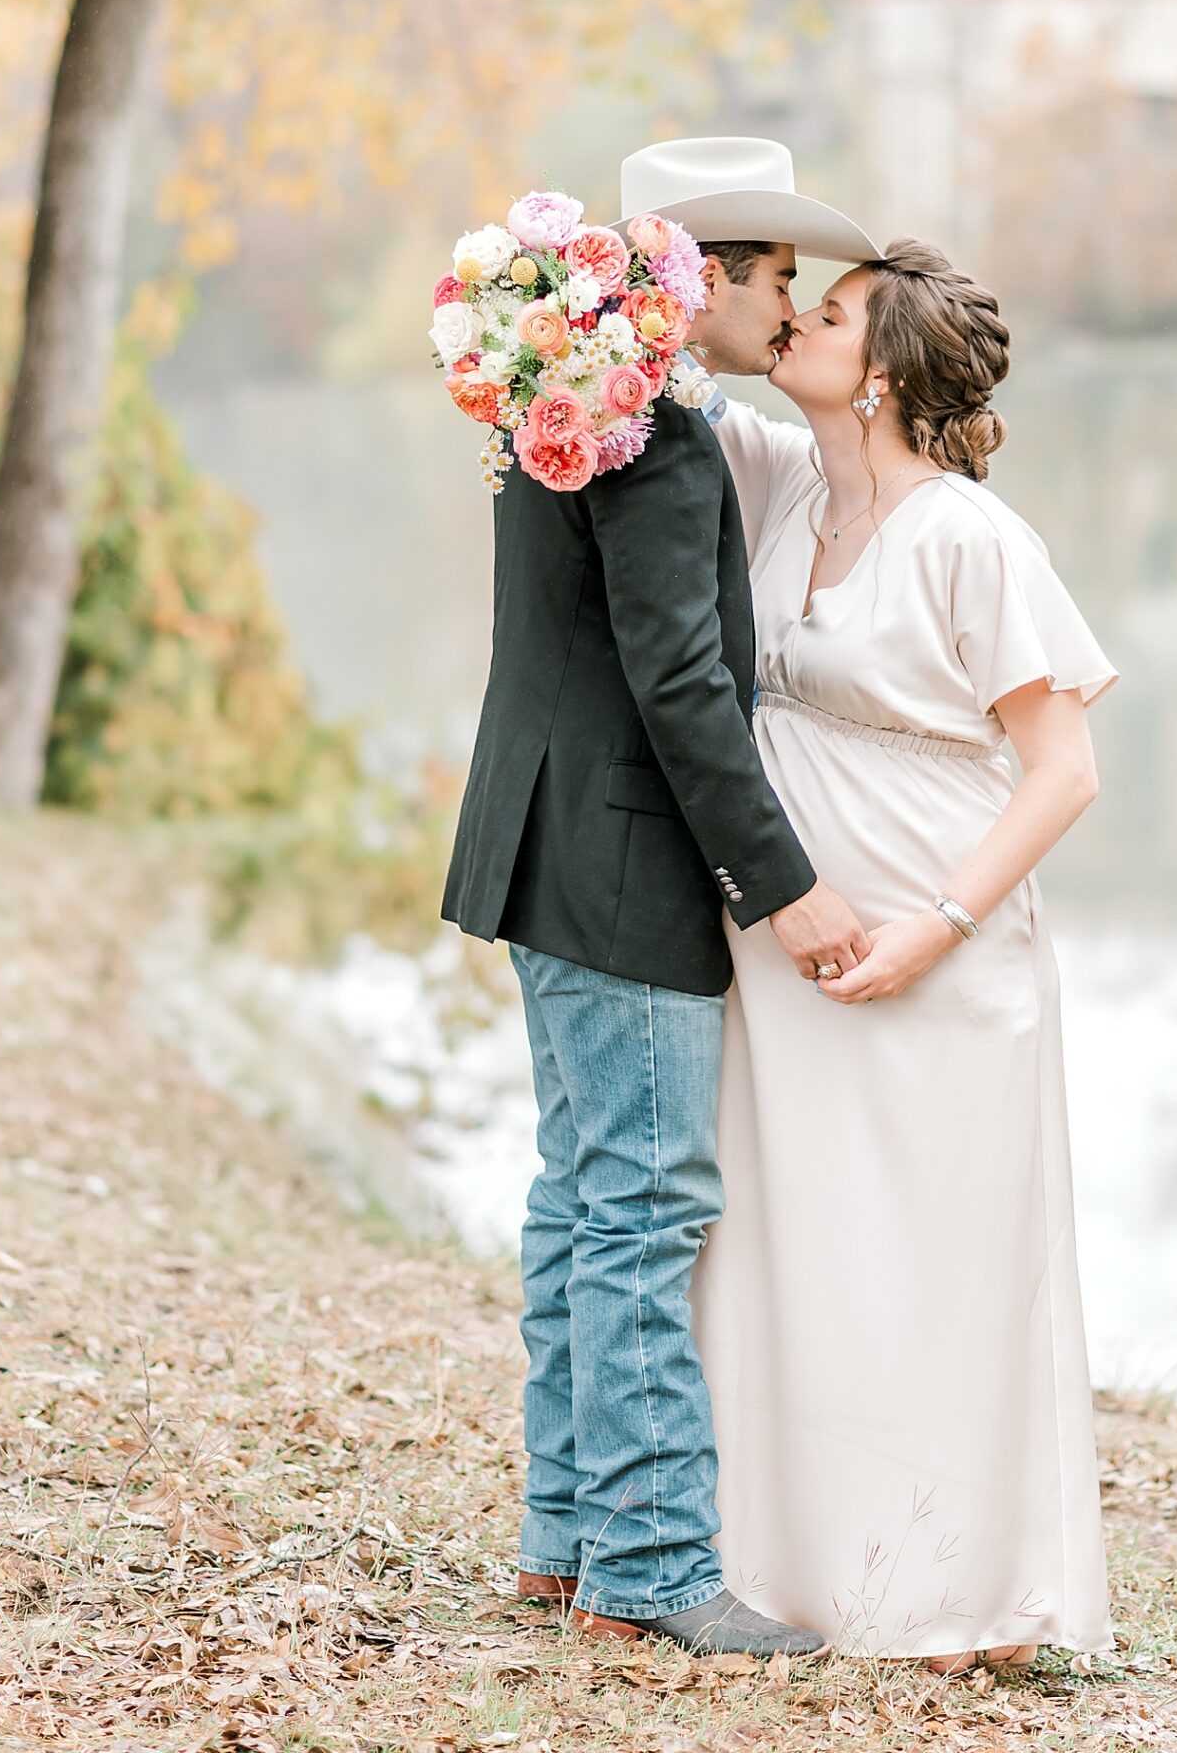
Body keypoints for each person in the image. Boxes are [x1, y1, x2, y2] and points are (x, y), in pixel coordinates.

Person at [441, 136, 884, 1659]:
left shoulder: (567, 408)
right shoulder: (648, 432)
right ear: (698, 280)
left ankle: (567, 1534)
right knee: (639, 1207)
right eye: (770, 279)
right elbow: (681, 684)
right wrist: (787, 889)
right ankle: (647, 1562)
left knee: (582, 1199)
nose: (789, 307)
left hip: (542, 839)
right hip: (622, 857)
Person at [692, 239, 1117, 1667]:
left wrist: (935, 930)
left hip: (938, 952)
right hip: (792, 954)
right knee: (803, 1242)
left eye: (818, 314)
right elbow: (663, 364)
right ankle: (804, 1569)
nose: (785, 322)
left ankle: (957, 1594)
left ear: (874, 372)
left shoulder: (968, 538)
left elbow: (1060, 771)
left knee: (935, 1262)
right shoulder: (778, 480)